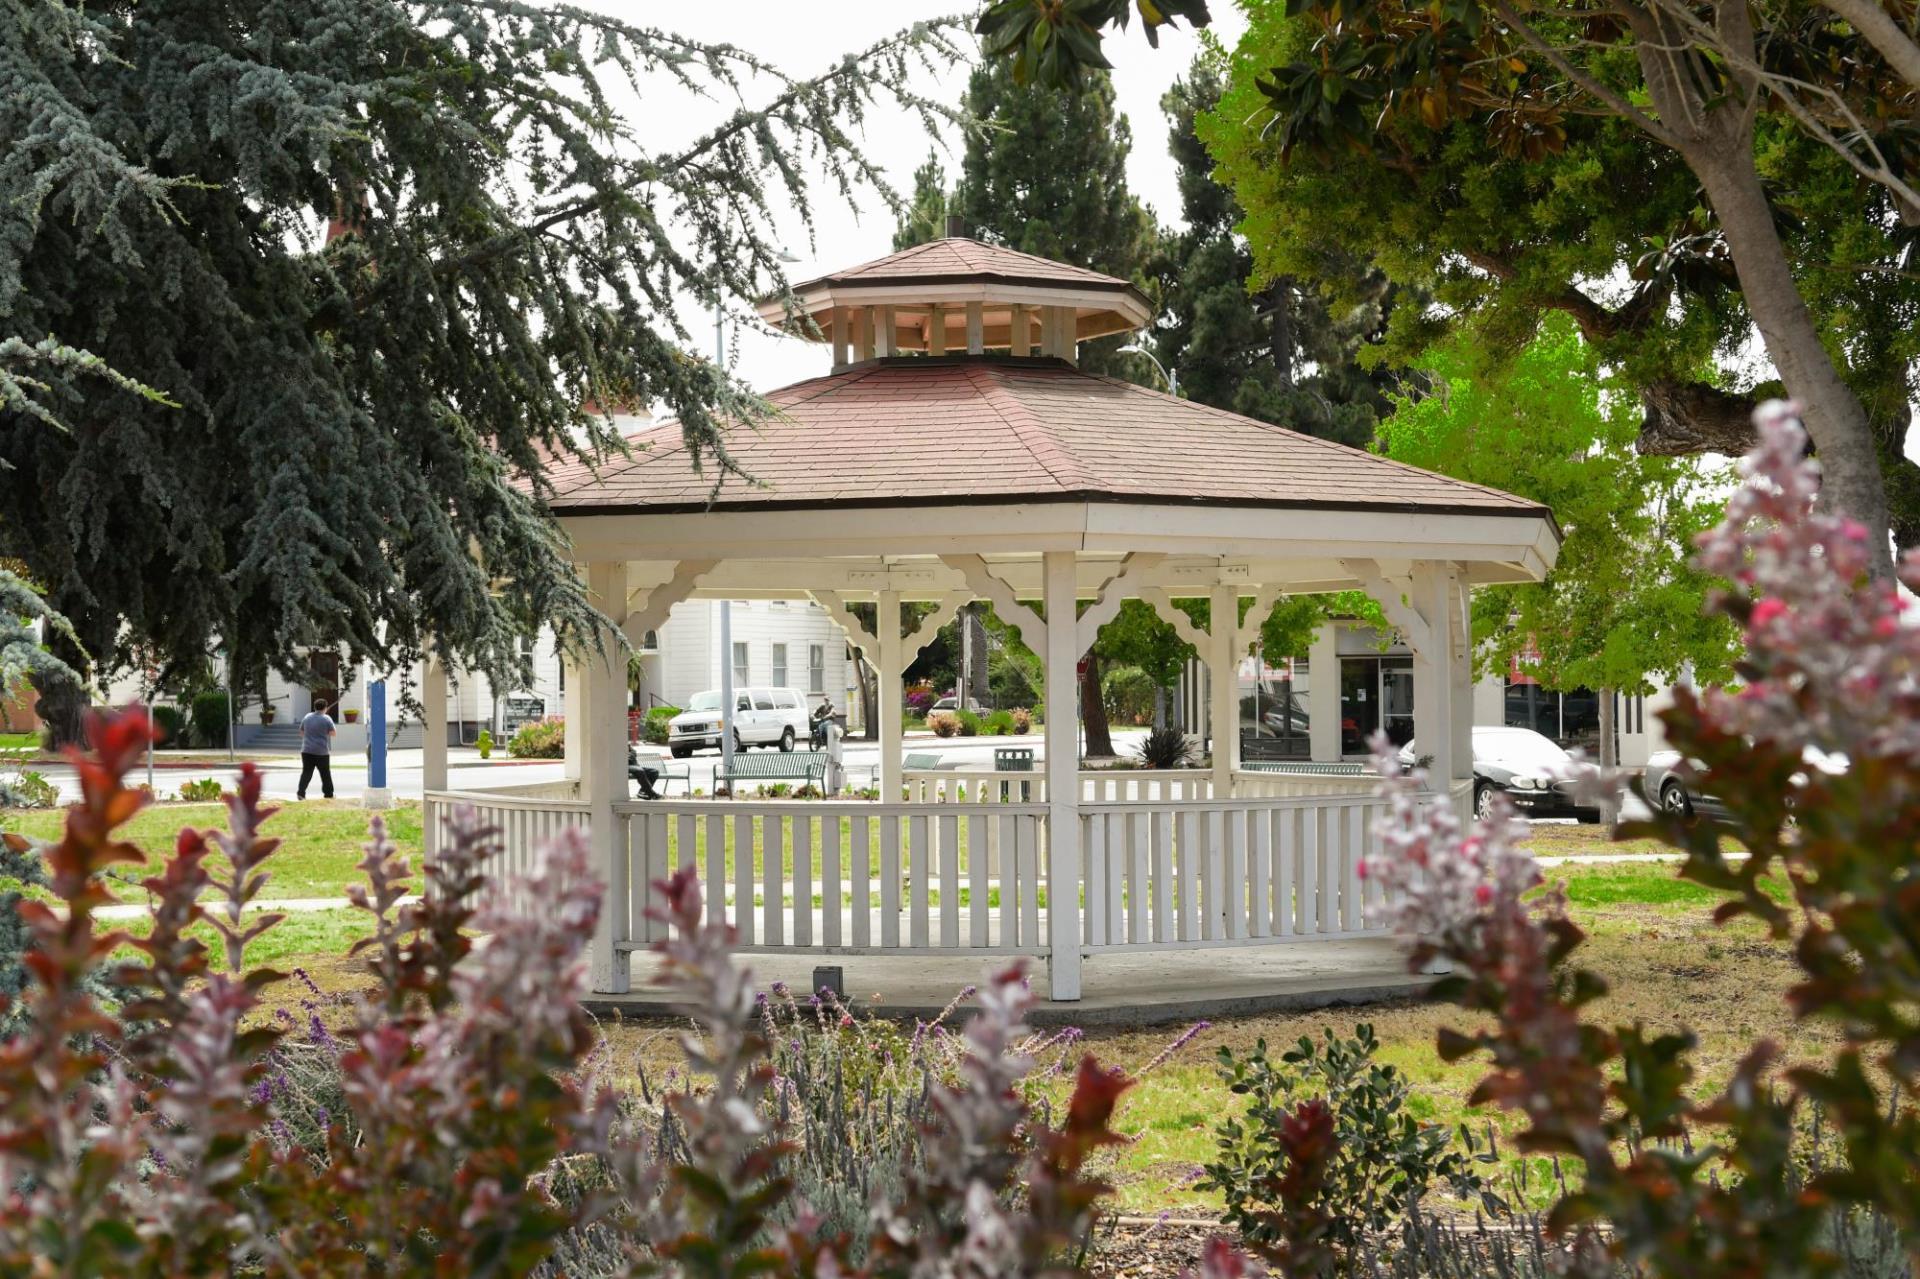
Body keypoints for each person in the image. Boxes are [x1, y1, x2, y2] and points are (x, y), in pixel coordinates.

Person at [297, 700, 336, 800]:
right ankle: (329, 794)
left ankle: (301, 793)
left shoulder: (307, 717)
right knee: (325, 774)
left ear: (314, 707)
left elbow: (301, 733)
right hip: (321, 751)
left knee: (306, 772)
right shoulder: (327, 719)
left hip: (306, 750)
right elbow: (333, 733)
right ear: (325, 708)